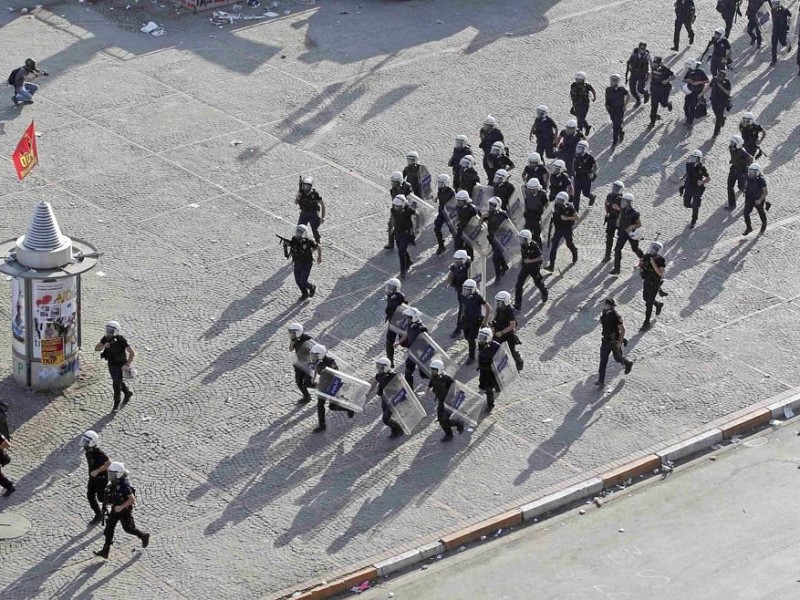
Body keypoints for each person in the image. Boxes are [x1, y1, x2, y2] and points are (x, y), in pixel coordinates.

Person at [94, 462, 150, 559]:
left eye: (112, 474)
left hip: (124, 511)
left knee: (128, 529)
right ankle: (105, 550)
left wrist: (121, 507)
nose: (110, 476)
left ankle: (143, 536)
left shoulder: (124, 485)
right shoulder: (115, 482)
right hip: (115, 509)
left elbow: (132, 499)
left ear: (118, 474)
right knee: (109, 527)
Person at [309, 344, 353, 432]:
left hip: (333, 385)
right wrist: (313, 378)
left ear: (321, 355)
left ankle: (348, 408)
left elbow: (336, 373)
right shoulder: (318, 361)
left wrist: (332, 388)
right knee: (320, 405)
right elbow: (317, 368)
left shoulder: (330, 362)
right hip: (323, 385)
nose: (313, 358)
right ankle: (322, 425)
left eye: (315, 356)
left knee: (332, 406)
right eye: (313, 356)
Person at [95, 320, 135, 412]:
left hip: (121, 364)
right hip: (111, 364)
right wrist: (104, 346)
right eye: (108, 330)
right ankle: (127, 392)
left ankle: (116, 403)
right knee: (116, 380)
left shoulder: (121, 340)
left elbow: (132, 353)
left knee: (116, 383)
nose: (109, 332)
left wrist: (127, 365)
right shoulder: (105, 338)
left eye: (111, 331)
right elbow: (96, 348)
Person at [595, 298, 634, 387]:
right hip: (605, 341)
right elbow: (603, 321)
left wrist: (620, 342)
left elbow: (623, 330)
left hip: (614, 342)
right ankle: (601, 381)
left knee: (617, 358)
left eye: (607, 305)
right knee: (603, 360)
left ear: (611, 306)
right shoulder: (604, 312)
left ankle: (627, 363)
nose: (605, 306)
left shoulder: (616, 316)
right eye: (605, 304)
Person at [282, 224, 321, 301]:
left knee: (303, 281)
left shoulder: (309, 242)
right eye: (297, 232)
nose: (298, 234)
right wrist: (285, 245)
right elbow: (290, 246)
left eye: (300, 233)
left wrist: (319, 257)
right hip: (297, 263)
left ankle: (311, 287)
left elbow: (319, 246)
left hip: (306, 264)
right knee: (297, 281)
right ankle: (304, 293)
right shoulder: (294, 241)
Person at [427, 360, 463, 442]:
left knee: (444, 419)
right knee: (441, 420)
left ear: (439, 369)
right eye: (432, 370)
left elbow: (455, 386)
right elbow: (430, 384)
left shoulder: (447, 378)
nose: (432, 372)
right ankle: (449, 433)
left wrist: (453, 397)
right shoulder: (434, 377)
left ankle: (457, 424)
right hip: (441, 402)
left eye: (434, 370)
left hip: (449, 402)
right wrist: (426, 393)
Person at [80, 430, 111, 524]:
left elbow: (109, 462)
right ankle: (98, 514)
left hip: (101, 478)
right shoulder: (88, 450)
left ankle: (113, 509)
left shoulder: (98, 452)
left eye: (86, 441)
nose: (84, 443)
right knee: (90, 496)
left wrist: (97, 471)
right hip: (92, 478)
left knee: (102, 498)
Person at [611, 193, 645, 275]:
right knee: (617, 249)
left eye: (624, 201)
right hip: (623, 232)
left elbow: (639, 224)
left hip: (631, 234)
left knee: (635, 249)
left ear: (629, 203)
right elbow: (620, 214)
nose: (622, 202)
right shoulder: (623, 209)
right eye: (622, 200)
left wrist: (631, 226)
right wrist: (618, 221)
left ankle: (645, 261)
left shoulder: (634, 213)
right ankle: (616, 269)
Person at [514, 229, 548, 310]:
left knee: (538, 282)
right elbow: (523, 256)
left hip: (534, 267)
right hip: (525, 267)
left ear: (528, 239)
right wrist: (522, 261)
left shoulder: (534, 245)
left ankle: (544, 292)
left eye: (523, 239)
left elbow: (540, 257)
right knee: (518, 285)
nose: (521, 240)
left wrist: (530, 261)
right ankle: (517, 305)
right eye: (521, 238)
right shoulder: (522, 245)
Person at [544, 192, 578, 271]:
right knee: (554, 247)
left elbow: (577, 217)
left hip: (567, 229)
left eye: (561, 200)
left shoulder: (570, 207)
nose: (559, 202)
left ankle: (574, 252)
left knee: (569, 244)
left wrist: (567, 218)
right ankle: (551, 266)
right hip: (558, 229)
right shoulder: (556, 205)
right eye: (558, 200)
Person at [461, 279, 492, 365]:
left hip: (475, 321)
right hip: (466, 320)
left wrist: (485, 321)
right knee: (467, 337)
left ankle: (472, 357)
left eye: (468, 290)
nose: (466, 291)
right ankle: (473, 348)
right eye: (465, 289)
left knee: (471, 339)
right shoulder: (464, 296)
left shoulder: (478, 297)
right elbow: (464, 306)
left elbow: (488, 307)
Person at [371, 357, 404, 439]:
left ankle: (399, 428)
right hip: (384, 398)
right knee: (387, 417)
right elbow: (375, 382)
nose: (378, 368)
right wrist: (368, 392)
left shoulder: (393, 375)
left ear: (385, 367)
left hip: (392, 399)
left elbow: (401, 386)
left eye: (380, 367)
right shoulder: (380, 374)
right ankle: (394, 430)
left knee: (386, 418)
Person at [396, 307, 428, 389]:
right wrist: (399, 342)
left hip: (420, 354)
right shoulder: (410, 324)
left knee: (425, 374)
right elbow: (406, 333)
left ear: (414, 317)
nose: (407, 318)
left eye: (408, 317)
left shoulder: (422, 329)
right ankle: (409, 390)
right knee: (408, 372)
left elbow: (425, 342)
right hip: (412, 353)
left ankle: (433, 386)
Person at [637, 242, 667, 331]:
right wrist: (638, 264)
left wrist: (653, 263)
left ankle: (646, 323)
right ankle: (658, 304)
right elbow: (640, 263)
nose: (653, 250)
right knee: (645, 298)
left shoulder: (660, 260)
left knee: (648, 303)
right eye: (653, 248)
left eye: (655, 249)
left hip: (654, 283)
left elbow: (660, 273)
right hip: (646, 281)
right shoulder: (647, 255)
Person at [492, 291, 523, 371]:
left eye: (500, 302)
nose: (498, 303)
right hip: (498, 332)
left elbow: (512, 325)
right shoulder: (499, 309)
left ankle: (519, 362)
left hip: (508, 334)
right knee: (496, 349)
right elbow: (496, 319)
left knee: (512, 351)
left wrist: (502, 332)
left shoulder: (509, 311)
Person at [482, 197, 510, 284]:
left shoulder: (503, 214)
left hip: (500, 239)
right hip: (492, 238)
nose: (491, 207)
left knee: (495, 258)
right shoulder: (489, 214)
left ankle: (498, 277)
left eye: (493, 205)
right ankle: (505, 267)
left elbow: (508, 226)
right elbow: (479, 224)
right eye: (490, 205)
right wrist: (482, 217)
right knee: (498, 255)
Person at [680, 149, 711, 228]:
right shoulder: (688, 165)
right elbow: (688, 172)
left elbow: (708, 178)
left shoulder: (702, 168)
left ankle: (693, 220)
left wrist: (702, 182)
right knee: (686, 204)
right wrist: (683, 177)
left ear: (698, 159)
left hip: (697, 188)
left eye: (694, 158)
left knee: (695, 205)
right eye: (692, 157)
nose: (692, 160)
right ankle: (695, 206)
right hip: (689, 186)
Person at [445, 250, 472, 337]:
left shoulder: (469, 266)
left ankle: (458, 329)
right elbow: (451, 273)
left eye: (458, 261)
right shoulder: (455, 266)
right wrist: (448, 282)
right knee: (463, 308)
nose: (456, 263)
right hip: (460, 290)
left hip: (468, 292)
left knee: (462, 310)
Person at [385, 172, 413, 250]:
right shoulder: (392, 190)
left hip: (405, 209)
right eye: (392, 182)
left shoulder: (407, 186)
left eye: (395, 182)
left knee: (408, 225)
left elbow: (411, 198)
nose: (393, 183)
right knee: (391, 225)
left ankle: (410, 238)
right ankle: (390, 243)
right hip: (395, 209)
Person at [392, 195, 417, 279]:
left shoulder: (408, 210)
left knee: (400, 252)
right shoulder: (393, 210)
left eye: (398, 206)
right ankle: (409, 260)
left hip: (406, 233)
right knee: (401, 249)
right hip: (398, 232)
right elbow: (393, 219)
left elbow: (417, 213)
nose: (396, 208)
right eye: (395, 206)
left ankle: (402, 270)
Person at [476, 328, 502, 412]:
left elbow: (502, 354)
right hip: (483, 369)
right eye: (480, 336)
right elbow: (479, 354)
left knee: (489, 388)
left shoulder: (495, 346)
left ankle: (490, 405)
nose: (481, 339)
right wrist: (478, 364)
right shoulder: (480, 344)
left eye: (483, 337)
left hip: (491, 371)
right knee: (485, 385)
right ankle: (495, 388)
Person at [288, 323, 314, 403]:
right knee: (299, 382)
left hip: (309, 365)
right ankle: (307, 397)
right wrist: (293, 342)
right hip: (300, 364)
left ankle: (324, 392)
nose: (290, 335)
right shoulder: (294, 340)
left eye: (292, 333)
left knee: (309, 383)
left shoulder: (308, 340)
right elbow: (290, 349)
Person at [295, 175, 325, 243]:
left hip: (313, 214)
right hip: (304, 213)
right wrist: (298, 197)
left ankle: (318, 243)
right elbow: (296, 202)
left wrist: (322, 217)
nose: (306, 187)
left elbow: (322, 205)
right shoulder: (301, 193)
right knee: (300, 229)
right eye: (305, 185)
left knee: (315, 230)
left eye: (308, 186)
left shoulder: (315, 194)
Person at [727, 135, 753, 210]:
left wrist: (748, 166)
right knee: (730, 187)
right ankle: (732, 205)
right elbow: (734, 156)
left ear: (737, 144)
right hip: (733, 169)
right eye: (731, 142)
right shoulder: (731, 148)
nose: (731, 143)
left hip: (741, 171)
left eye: (733, 142)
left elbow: (751, 158)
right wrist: (733, 160)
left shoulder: (741, 151)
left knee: (741, 187)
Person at [648, 56, 675, 128]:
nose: (654, 64)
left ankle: (668, 104)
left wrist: (667, 80)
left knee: (663, 104)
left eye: (656, 63)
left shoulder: (665, 69)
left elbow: (673, 76)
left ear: (660, 63)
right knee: (654, 106)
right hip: (654, 90)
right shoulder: (653, 67)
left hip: (664, 89)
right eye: (654, 63)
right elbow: (651, 75)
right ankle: (652, 122)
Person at [383, 279, 405, 368]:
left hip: (400, 322)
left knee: (405, 342)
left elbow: (401, 299)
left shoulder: (397, 296)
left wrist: (396, 296)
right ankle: (390, 361)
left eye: (391, 287)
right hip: (392, 321)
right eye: (389, 287)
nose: (389, 289)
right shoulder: (390, 296)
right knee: (389, 341)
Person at [742, 162, 769, 235]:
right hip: (749, 198)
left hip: (758, 199)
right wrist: (745, 189)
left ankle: (764, 224)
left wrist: (760, 200)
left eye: (753, 172)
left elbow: (765, 192)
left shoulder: (761, 180)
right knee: (746, 213)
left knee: (761, 212)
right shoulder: (749, 177)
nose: (751, 173)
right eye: (750, 171)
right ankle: (749, 227)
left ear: (757, 172)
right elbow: (747, 184)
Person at [453, 190, 480, 260]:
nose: (459, 202)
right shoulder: (458, 207)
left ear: (466, 200)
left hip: (469, 229)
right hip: (461, 227)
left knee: (468, 246)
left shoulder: (472, 209)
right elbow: (459, 216)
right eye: (458, 200)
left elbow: (477, 220)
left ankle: (470, 260)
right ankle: (460, 258)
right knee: (457, 243)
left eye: (460, 201)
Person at [683, 58, 709, 127]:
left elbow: (707, 81)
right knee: (685, 107)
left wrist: (698, 82)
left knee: (692, 107)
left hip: (697, 92)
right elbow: (684, 80)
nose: (688, 68)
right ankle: (688, 119)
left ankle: (690, 122)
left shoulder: (701, 72)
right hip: (689, 91)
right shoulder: (689, 71)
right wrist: (688, 80)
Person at [606, 74, 630, 147]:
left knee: (615, 126)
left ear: (617, 81)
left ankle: (614, 142)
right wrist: (607, 108)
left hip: (619, 110)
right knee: (616, 123)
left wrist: (625, 105)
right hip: (611, 110)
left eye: (615, 80)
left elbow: (628, 96)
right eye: (612, 80)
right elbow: (607, 99)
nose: (613, 82)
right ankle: (621, 132)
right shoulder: (608, 89)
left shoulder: (621, 89)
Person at [603, 181, 624, 263]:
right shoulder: (610, 196)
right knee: (609, 238)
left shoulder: (622, 199)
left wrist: (618, 209)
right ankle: (607, 255)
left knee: (620, 239)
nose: (615, 190)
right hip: (611, 218)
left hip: (619, 220)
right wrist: (607, 212)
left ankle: (618, 255)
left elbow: (624, 211)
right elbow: (606, 203)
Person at [572, 140, 598, 209]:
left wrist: (592, 173)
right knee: (576, 195)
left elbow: (595, 166)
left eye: (581, 148)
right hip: (577, 178)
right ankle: (575, 210)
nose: (579, 150)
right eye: (578, 148)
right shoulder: (576, 155)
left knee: (585, 193)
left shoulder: (590, 158)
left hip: (586, 179)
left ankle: (592, 197)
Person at [434, 174, 456, 255]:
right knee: (437, 227)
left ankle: (457, 246)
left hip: (449, 214)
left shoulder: (451, 193)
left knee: (453, 230)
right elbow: (439, 196)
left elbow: (454, 203)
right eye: (439, 183)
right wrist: (436, 198)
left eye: (441, 183)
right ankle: (441, 246)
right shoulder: (440, 190)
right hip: (442, 213)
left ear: (446, 183)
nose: (439, 185)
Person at [522, 178, 548, 245]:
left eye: (532, 189)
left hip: (537, 216)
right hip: (528, 215)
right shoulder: (525, 191)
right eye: (529, 189)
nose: (530, 190)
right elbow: (524, 201)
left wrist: (544, 213)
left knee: (536, 235)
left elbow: (546, 205)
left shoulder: (542, 194)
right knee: (526, 234)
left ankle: (538, 249)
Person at [709, 68, 732, 137]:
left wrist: (721, 86)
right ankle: (722, 118)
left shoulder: (727, 82)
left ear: (724, 78)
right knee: (718, 116)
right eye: (719, 76)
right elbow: (709, 87)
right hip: (714, 101)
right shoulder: (714, 79)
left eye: (722, 77)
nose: (719, 78)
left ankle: (715, 133)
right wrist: (701, 94)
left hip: (722, 103)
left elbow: (728, 93)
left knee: (718, 119)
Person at [769, 0, 792, 65]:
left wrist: (785, 11)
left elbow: (790, 14)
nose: (773, 6)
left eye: (774, 5)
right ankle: (774, 60)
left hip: (782, 30)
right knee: (774, 45)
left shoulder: (784, 10)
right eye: (773, 5)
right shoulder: (772, 10)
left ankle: (788, 45)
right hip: (775, 30)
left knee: (783, 42)